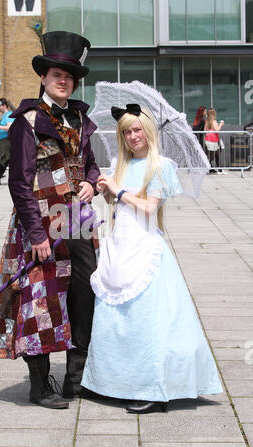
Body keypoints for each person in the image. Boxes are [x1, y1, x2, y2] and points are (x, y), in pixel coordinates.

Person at [81, 104, 223, 414]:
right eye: (126, 132)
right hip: (119, 243)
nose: (132, 136)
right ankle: (111, 383)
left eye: (137, 129)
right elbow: (115, 203)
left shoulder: (161, 166)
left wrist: (117, 191)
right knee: (117, 319)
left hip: (145, 245)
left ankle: (153, 388)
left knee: (148, 320)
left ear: (148, 131)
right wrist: (106, 188)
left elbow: (148, 208)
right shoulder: (120, 163)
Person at [0, 30, 100, 409]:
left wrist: (89, 182)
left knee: (84, 294)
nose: (63, 80)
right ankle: (40, 386)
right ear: (44, 78)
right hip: (42, 223)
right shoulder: (29, 120)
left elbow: (92, 165)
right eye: (56, 74)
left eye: (68, 75)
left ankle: (76, 379)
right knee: (41, 298)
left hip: (79, 222)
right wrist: (36, 232)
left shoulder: (82, 120)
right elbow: (19, 182)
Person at [204, 108, 224, 174]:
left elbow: (204, 131)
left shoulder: (207, 121)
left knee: (217, 154)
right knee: (212, 156)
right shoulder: (214, 121)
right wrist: (221, 124)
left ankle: (220, 169)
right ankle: (205, 166)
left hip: (208, 140)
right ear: (213, 114)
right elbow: (217, 130)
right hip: (213, 140)